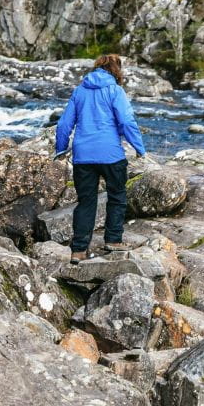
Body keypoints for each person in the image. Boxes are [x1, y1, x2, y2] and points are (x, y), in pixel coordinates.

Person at [55, 54, 146, 264]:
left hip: (83, 156)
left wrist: (60, 150)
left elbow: (64, 124)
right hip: (111, 154)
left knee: (86, 202)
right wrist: (139, 147)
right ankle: (113, 240)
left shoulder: (79, 91)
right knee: (117, 196)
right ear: (116, 70)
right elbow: (126, 121)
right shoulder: (115, 90)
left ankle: (78, 251)